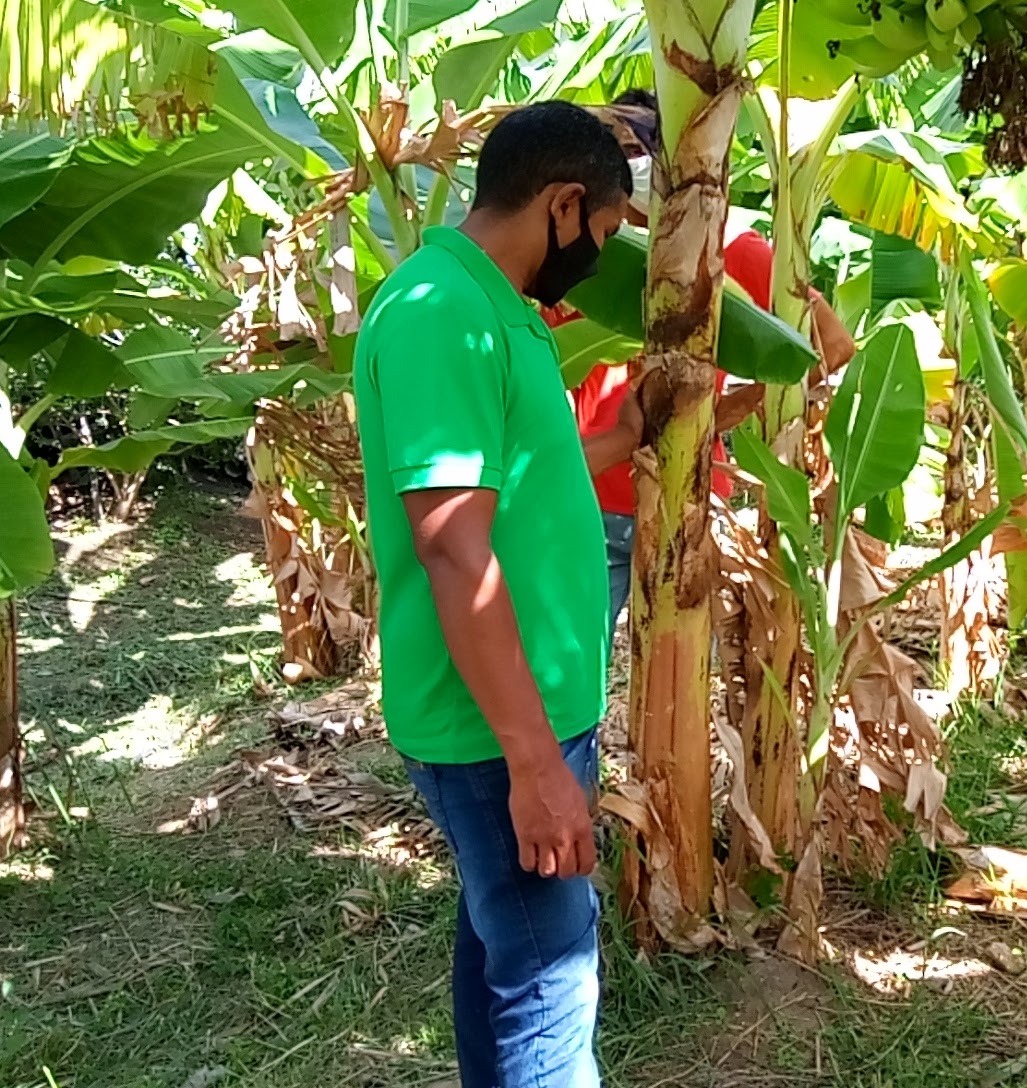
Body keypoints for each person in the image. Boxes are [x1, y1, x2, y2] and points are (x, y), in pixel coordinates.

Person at [351, 101, 631, 1088]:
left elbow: (515, 485)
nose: (599, 258)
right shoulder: (443, 315)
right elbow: (453, 547)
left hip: (526, 712)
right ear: (563, 204)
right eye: (603, 231)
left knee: (503, 947)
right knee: (549, 984)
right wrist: (535, 763)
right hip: (494, 727)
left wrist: (627, 435)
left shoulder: (494, 306)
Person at [569, 89, 856, 632]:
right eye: (620, 151)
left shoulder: (727, 245)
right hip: (592, 493)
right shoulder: (583, 248)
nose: (632, 164)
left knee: (703, 658)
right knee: (576, 659)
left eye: (641, 149)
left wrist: (736, 406)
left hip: (690, 490)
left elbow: (832, 343)